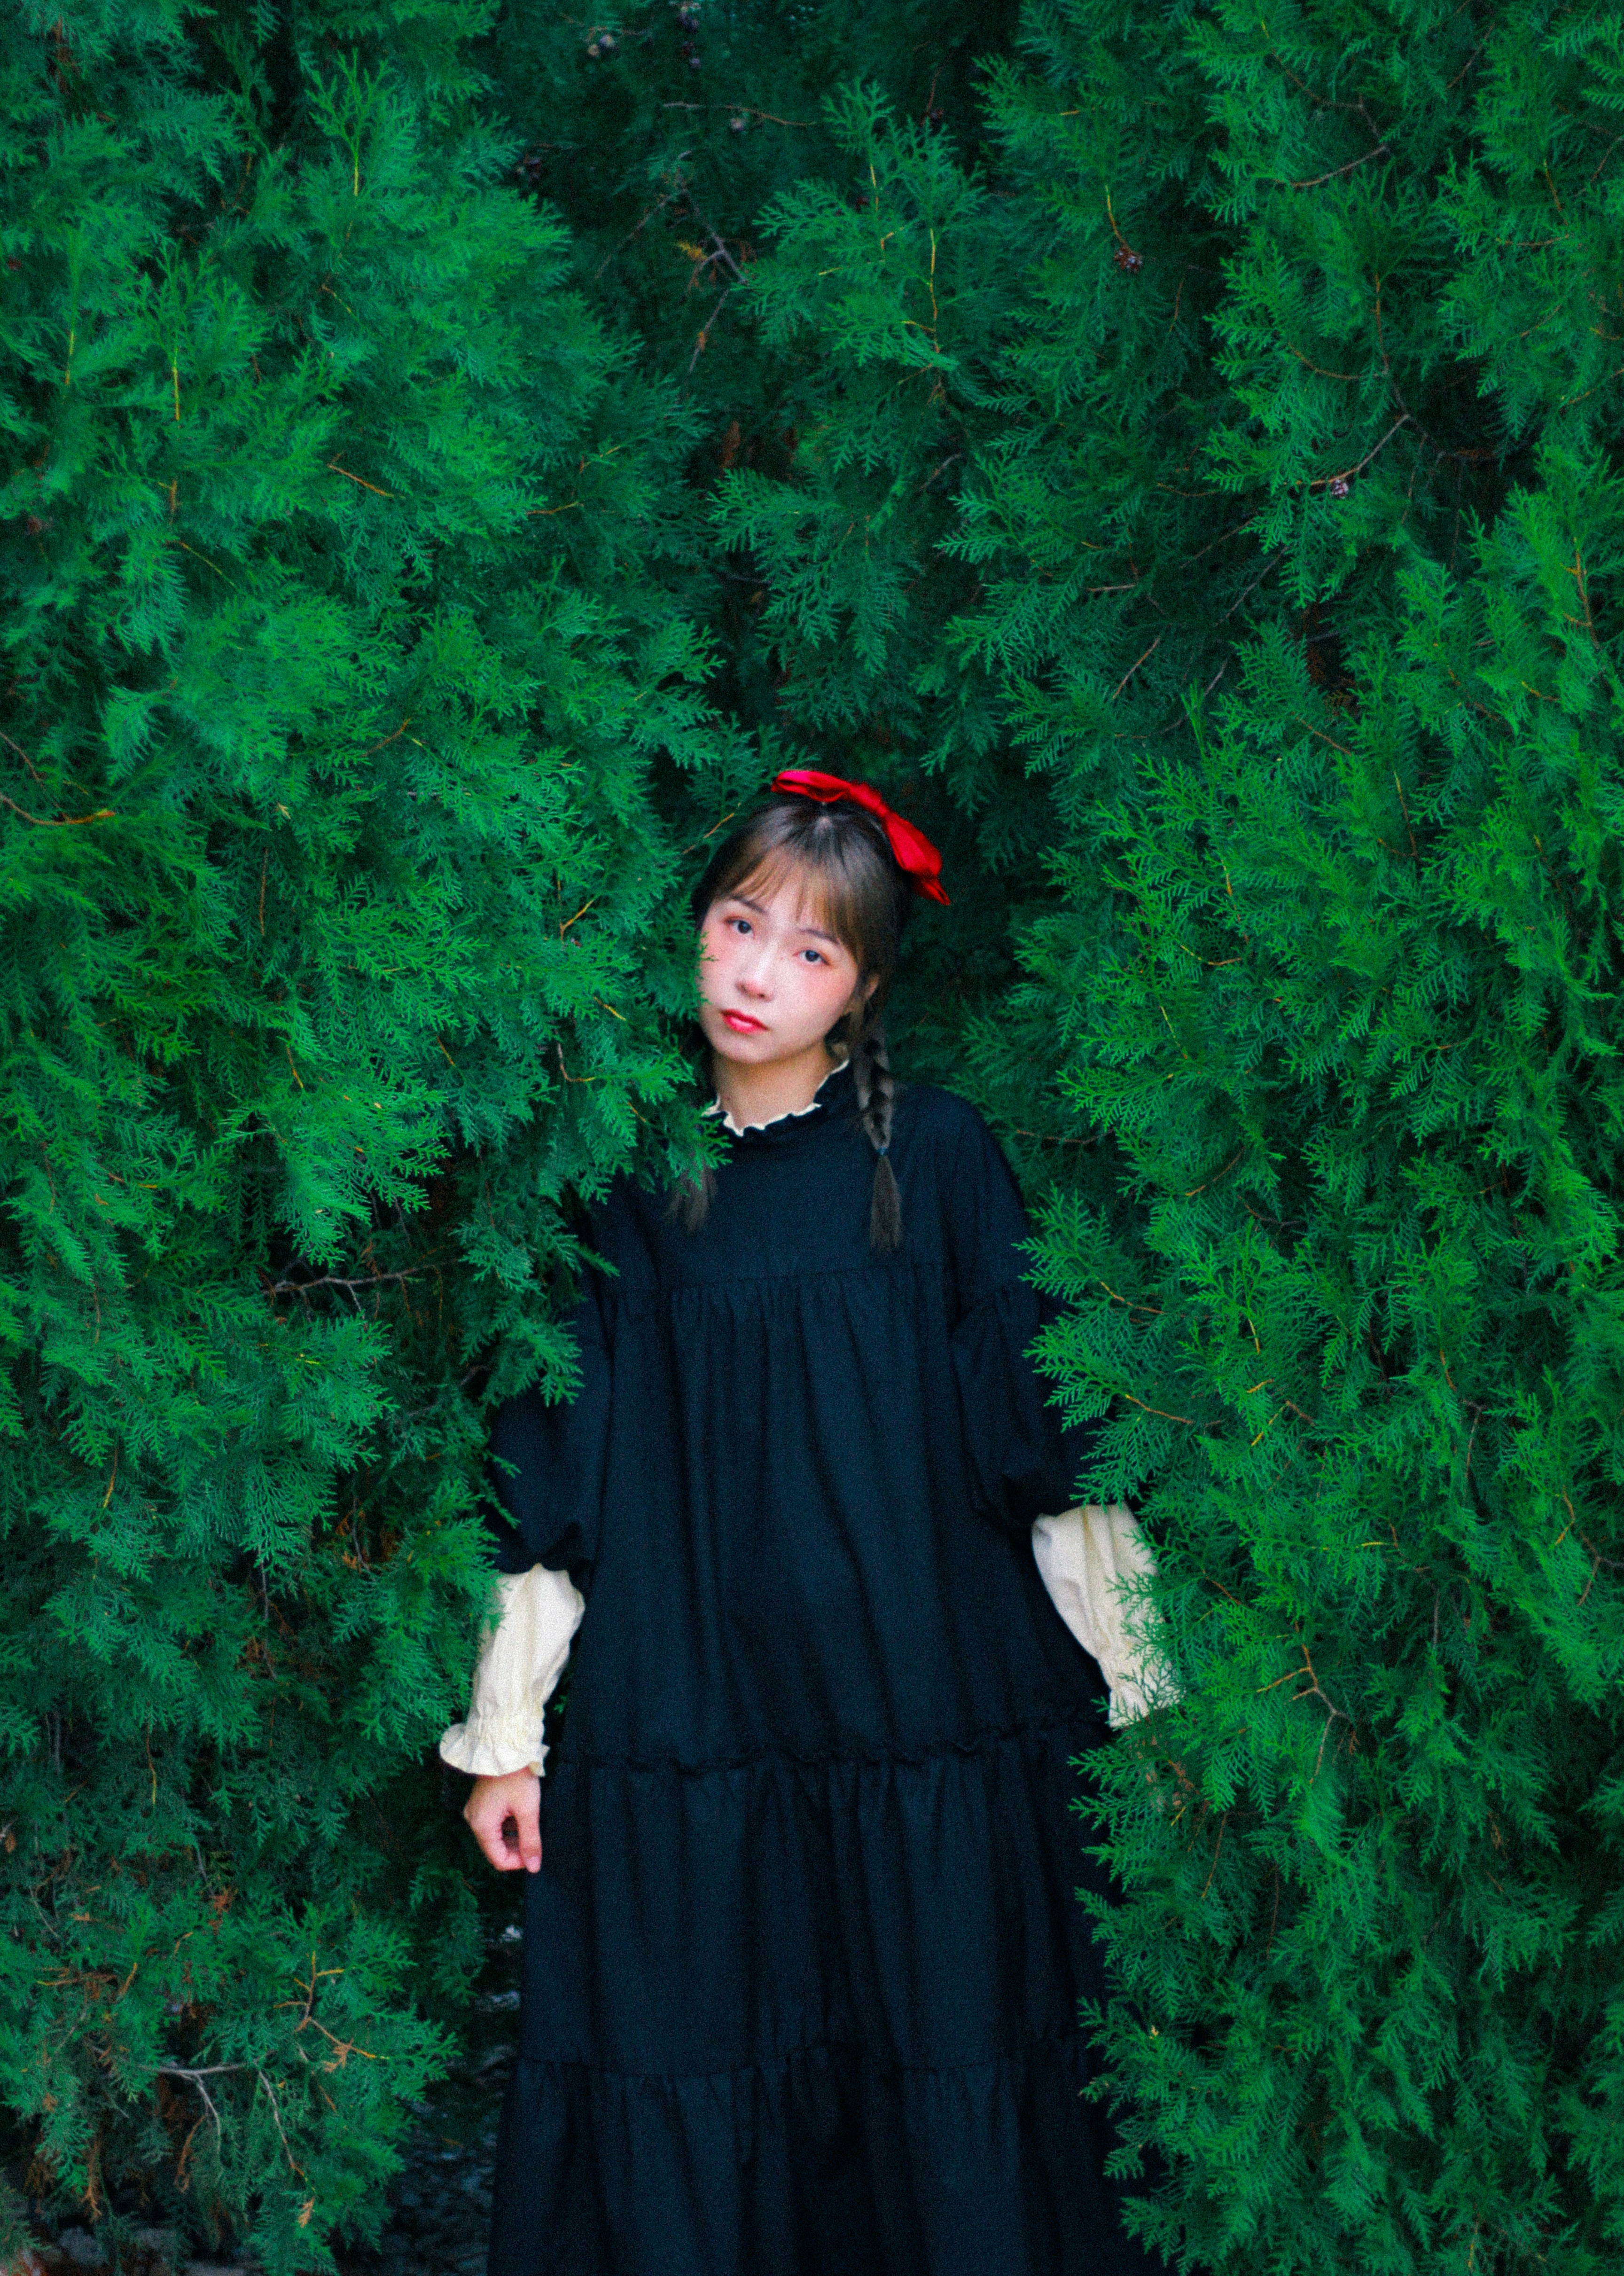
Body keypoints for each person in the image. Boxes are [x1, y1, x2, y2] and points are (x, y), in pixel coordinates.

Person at [440, 770, 1171, 2276]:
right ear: (696, 926)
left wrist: (1145, 1693)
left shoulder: (941, 1159)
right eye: (737, 922)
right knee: (701, 2081)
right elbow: (555, 1472)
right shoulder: (622, 1182)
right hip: (698, 1726)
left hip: (925, 1721)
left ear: (866, 988)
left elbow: (1044, 1448)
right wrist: (505, 1735)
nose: (757, 972)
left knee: (943, 2087)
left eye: (812, 948)